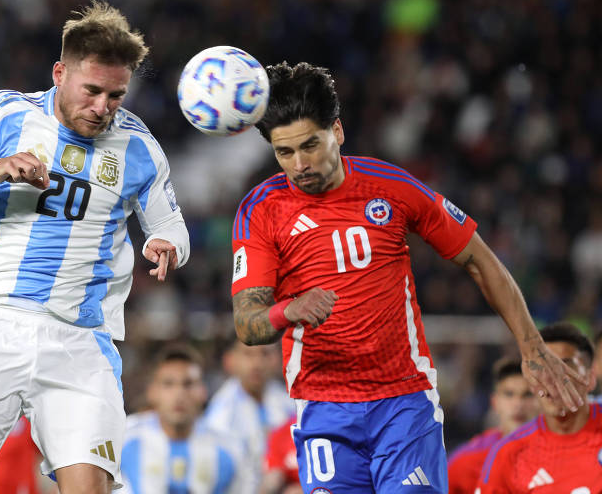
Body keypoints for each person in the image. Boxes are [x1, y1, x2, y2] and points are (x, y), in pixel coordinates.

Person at [229, 61, 586, 493]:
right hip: (322, 406)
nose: (300, 164)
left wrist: (532, 348)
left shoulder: (390, 186)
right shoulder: (260, 210)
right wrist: (289, 309)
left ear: (336, 131)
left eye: (310, 145)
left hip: (403, 401)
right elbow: (248, 323)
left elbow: (479, 259)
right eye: (285, 153)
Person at [0, 0, 189, 494]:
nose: (103, 107)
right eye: (93, 91)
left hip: (83, 344)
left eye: (116, 96)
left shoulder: (139, 148)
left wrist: (168, 242)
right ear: (60, 73)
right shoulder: (5, 116)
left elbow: (171, 223)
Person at [476, 323, 601, 493]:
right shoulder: (509, 454)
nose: (553, 381)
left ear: (590, 379)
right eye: (543, 369)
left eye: (565, 368)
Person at [119, 345, 242, 493]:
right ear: (152, 392)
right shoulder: (123, 438)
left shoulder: (228, 449)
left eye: (188, 384)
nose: (179, 394)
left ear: (203, 392)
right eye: (168, 384)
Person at [202, 340, 295, 492]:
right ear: (230, 360)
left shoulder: (290, 405)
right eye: (248, 354)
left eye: (265, 354)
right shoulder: (220, 417)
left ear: (277, 358)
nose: (257, 363)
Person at [447, 356, 538, 494]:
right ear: (495, 402)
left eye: (527, 395)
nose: (518, 404)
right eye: (509, 394)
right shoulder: (467, 459)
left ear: (542, 401)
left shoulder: (560, 453)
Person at [262, 415, 302, 494]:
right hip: (288, 484)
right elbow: (274, 471)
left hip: (318, 487)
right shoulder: (283, 431)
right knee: (270, 482)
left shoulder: (327, 430)